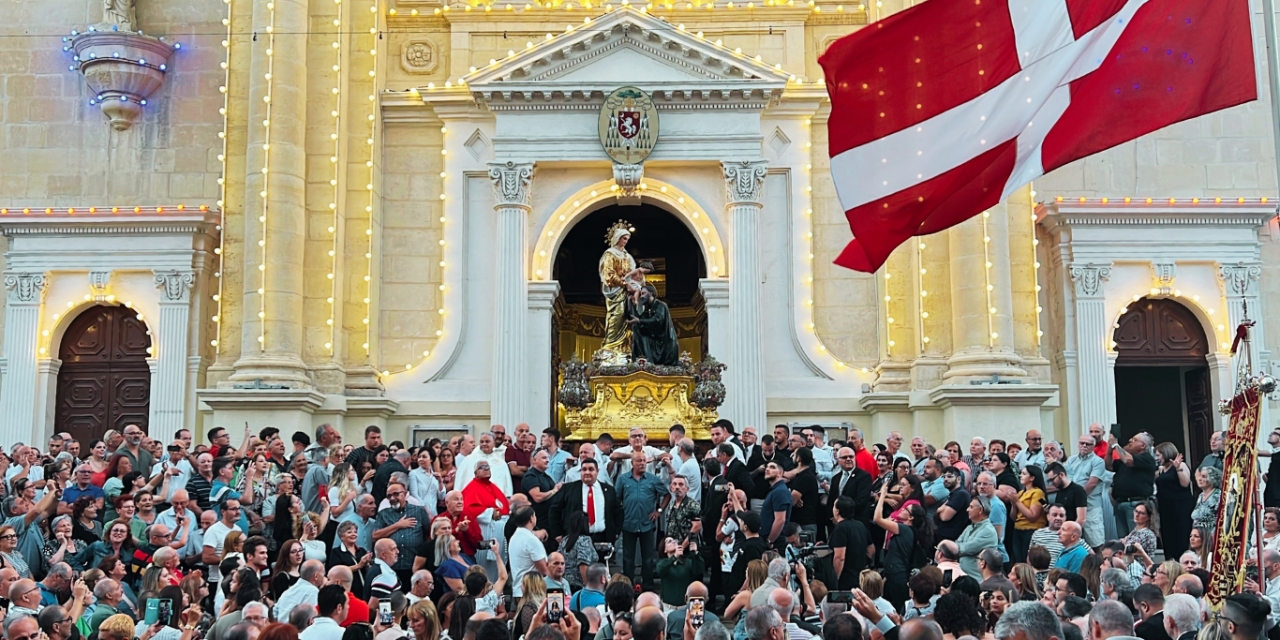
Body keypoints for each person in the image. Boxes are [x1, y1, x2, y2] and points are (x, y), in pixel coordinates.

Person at [875, 479, 929, 612]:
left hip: (897, 574)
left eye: (906, 510)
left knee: (899, 608)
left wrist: (882, 496)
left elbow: (877, 519)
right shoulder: (907, 529)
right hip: (895, 573)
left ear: (910, 518)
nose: (902, 509)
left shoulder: (904, 529)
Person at [616, 452, 666, 591]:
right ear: (632, 463)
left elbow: (666, 494)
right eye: (639, 461)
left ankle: (648, 587)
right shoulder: (623, 479)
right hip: (628, 524)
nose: (642, 463)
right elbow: (616, 499)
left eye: (644, 460)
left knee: (648, 558)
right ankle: (628, 586)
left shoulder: (653, 479)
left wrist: (659, 511)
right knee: (628, 559)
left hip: (647, 524)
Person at [550, 459, 621, 545]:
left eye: (591, 469)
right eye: (584, 469)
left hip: (603, 538)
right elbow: (554, 511)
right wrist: (557, 533)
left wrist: (616, 532)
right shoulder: (568, 489)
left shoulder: (609, 490)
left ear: (597, 471)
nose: (587, 472)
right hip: (575, 539)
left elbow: (618, 511)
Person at [372, 481, 428, 587]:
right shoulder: (383, 514)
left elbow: (427, 534)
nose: (392, 498)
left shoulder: (419, 511)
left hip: (413, 565)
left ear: (405, 494)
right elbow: (375, 536)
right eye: (389, 496)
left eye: (396, 494)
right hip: (392, 567)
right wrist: (398, 525)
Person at [1107, 433, 1157, 538]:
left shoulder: (1147, 458)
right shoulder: (1123, 460)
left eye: (1134, 440)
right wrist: (1109, 448)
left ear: (1143, 445)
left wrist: (1115, 445)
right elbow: (1108, 466)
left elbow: (1128, 460)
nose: (1130, 440)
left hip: (1136, 504)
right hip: (1120, 503)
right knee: (1123, 540)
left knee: (1136, 539)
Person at [999, 466, 1047, 565]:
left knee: (1028, 561)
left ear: (1032, 478)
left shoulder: (1037, 492)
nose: (1020, 476)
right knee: (1019, 560)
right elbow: (1013, 517)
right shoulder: (1021, 493)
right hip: (1018, 530)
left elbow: (1033, 515)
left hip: (1031, 530)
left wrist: (1017, 502)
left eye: (1024, 474)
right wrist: (1013, 504)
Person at [829, 495, 871, 590]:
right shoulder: (860, 525)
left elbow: (840, 558)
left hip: (846, 578)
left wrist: (835, 580)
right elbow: (871, 549)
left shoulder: (841, 528)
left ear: (837, 511)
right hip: (860, 577)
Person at [957, 496, 1000, 580]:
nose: (967, 509)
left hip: (977, 579)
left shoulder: (988, 531)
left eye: (971, 507)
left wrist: (957, 549)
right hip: (963, 576)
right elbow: (957, 544)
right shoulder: (969, 528)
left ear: (980, 510)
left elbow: (966, 548)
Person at [654, 537, 703, 609]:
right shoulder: (662, 563)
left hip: (685, 607)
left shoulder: (687, 562)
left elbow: (699, 570)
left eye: (675, 540)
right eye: (669, 541)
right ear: (664, 549)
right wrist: (674, 557)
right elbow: (659, 570)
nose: (673, 542)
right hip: (668, 607)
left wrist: (696, 554)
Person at [557, 512, 598, 591]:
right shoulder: (584, 540)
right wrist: (588, 588)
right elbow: (583, 564)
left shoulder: (564, 540)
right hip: (579, 586)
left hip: (564, 584)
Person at [759, 462, 793, 549]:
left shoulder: (780, 491)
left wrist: (770, 541)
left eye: (772, 467)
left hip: (776, 543)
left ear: (780, 473)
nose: (767, 469)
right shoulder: (776, 490)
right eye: (766, 467)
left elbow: (780, 520)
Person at [1190, 466, 1221, 533]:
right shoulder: (1201, 496)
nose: (1200, 479)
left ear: (1212, 479)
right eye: (1200, 476)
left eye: (1203, 477)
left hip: (1211, 535)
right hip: (1199, 535)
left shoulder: (1217, 494)